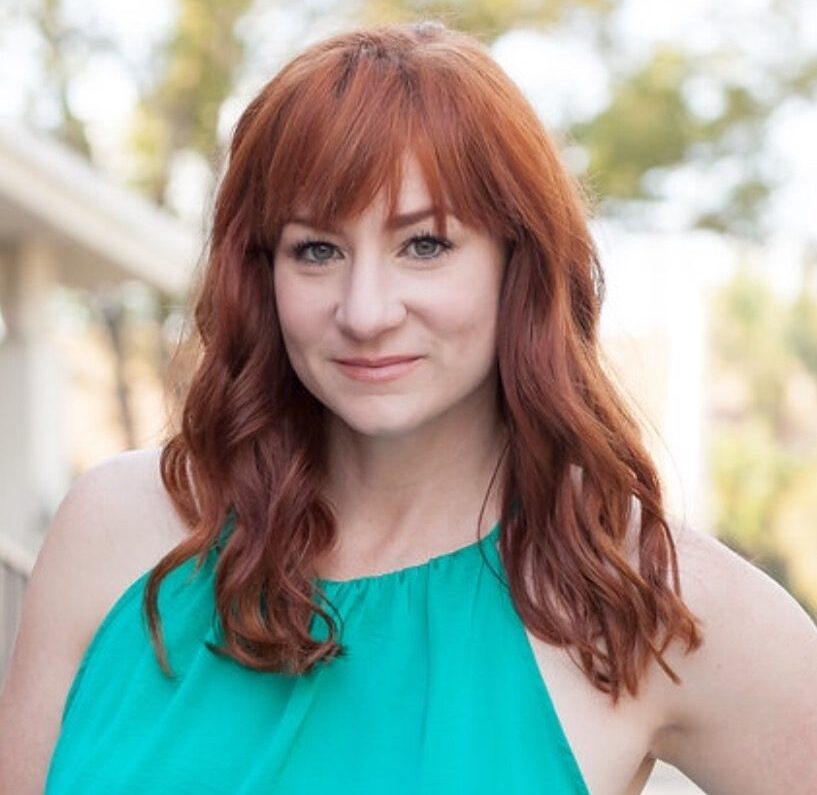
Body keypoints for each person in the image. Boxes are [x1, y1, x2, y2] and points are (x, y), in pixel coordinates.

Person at [1, 20, 816, 795]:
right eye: (315, 249)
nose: (365, 311)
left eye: (424, 244)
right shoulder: (116, 530)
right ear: (261, 275)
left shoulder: (639, 595)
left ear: (518, 263)